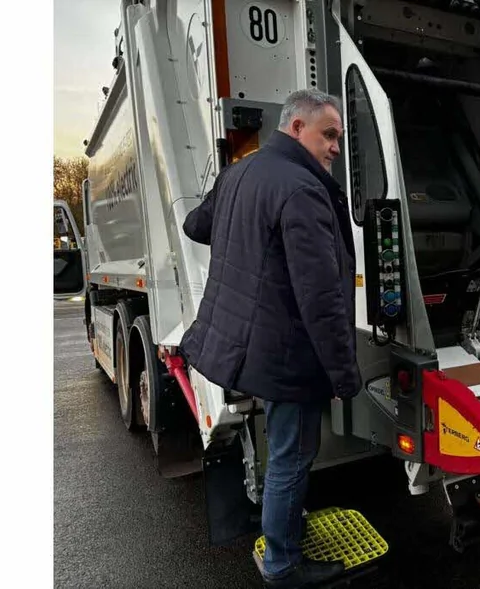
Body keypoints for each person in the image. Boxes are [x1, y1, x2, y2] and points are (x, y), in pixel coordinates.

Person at [179, 88, 361, 588]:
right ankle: (283, 564)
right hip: (287, 354)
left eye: (339, 138)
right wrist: (345, 376)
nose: (336, 148)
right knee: (290, 457)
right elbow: (321, 301)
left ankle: (284, 530)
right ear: (296, 127)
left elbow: (196, 225)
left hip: (249, 344)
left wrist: (244, 234)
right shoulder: (302, 189)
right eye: (329, 134)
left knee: (283, 452)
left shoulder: (241, 172)